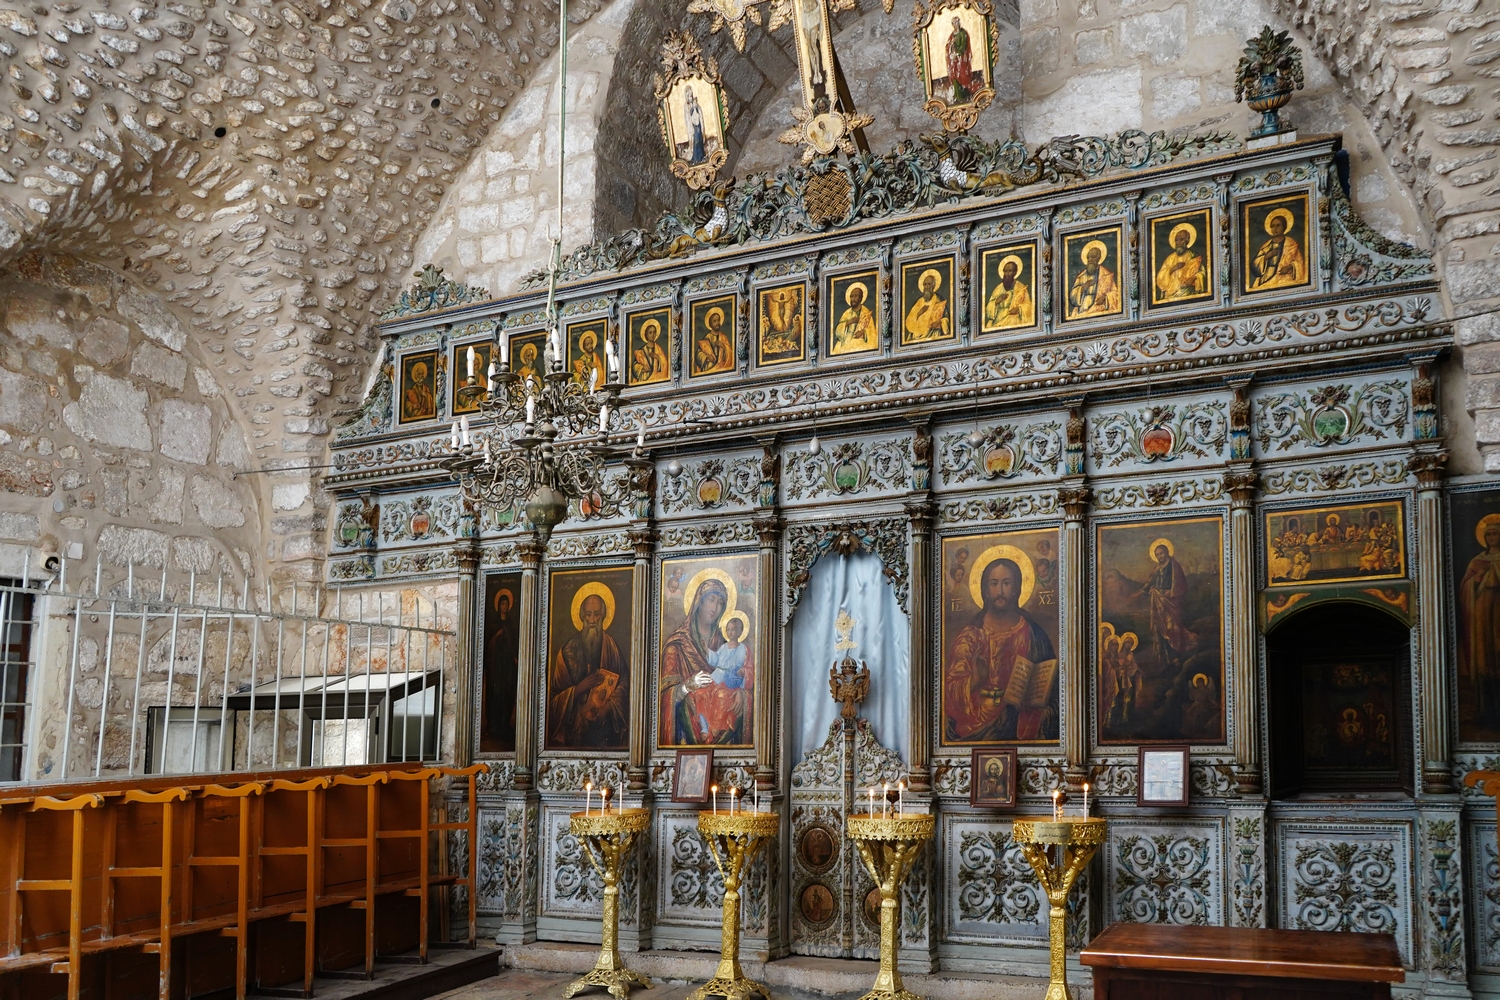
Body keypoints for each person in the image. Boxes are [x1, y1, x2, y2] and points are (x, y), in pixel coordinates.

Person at [943, 557, 1058, 742]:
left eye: (1007, 583)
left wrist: (1034, 701)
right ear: (985, 590)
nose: (1000, 591)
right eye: (994, 584)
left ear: (1017, 588)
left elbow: (1055, 692)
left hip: (1022, 725)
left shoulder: (1034, 634)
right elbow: (947, 694)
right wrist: (974, 681)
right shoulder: (971, 636)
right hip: (974, 726)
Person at [660, 578, 753, 745]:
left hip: (725, 718)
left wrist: (742, 694)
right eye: (711, 600)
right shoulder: (677, 645)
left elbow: (745, 676)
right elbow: (664, 698)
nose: (715, 608)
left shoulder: (726, 644)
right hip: (688, 735)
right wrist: (687, 686)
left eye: (720, 603)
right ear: (699, 602)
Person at [547, 590, 628, 748]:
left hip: (606, 731)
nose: (592, 620)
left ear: (603, 616)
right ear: (581, 616)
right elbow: (553, 700)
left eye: (597, 615)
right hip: (575, 733)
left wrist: (607, 708)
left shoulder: (612, 647)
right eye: (588, 615)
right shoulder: (567, 651)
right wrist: (577, 689)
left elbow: (625, 684)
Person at [1461, 515, 1500, 728]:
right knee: (1485, 663)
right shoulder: (1477, 562)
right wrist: (1476, 580)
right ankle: (1487, 711)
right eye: (1489, 534)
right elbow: (1466, 588)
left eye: (1495, 533)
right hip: (1483, 617)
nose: (1492, 537)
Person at [1141, 542, 1195, 674]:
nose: (1160, 556)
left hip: (1172, 602)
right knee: (1161, 629)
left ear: (1167, 553)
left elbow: (1182, 584)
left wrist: (1171, 592)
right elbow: (1150, 582)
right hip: (1159, 601)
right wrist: (1143, 590)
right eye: (1157, 554)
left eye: (1161, 553)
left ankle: (1177, 656)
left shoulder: (1174, 566)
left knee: (1172, 629)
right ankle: (1168, 659)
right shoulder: (1157, 568)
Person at [482, 587, 519, 752]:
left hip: (508, 667)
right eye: (502, 604)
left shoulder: (511, 624)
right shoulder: (493, 624)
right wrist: (496, 637)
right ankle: (494, 726)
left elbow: (514, 644)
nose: (504, 606)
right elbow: (489, 646)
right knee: (496, 696)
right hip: (496, 668)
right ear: (499, 606)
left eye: (506, 604)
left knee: (507, 695)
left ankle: (505, 726)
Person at [1249, 207, 1307, 290]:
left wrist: (1290, 266)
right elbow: (1254, 267)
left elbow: (1300, 263)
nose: (1275, 229)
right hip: (1265, 279)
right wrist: (1267, 256)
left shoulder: (1291, 244)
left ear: (1284, 227)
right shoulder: (1266, 246)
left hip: (1284, 278)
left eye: (1278, 225)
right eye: (1272, 226)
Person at [1068, 240, 1120, 318]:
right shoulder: (1081, 277)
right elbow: (1072, 297)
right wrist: (1083, 287)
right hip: (1082, 311)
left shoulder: (1106, 276)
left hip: (1099, 309)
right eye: (1088, 257)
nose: (1090, 260)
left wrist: (1105, 298)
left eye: (1093, 257)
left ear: (1098, 258)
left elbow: (1116, 294)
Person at [1155, 223, 1207, 300]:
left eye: (1181, 239)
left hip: (1189, 293)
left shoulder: (1194, 256)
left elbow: (1202, 273)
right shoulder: (1170, 259)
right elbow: (1160, 278)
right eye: (1176, 240)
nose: (1178, 243)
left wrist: (1193, 278)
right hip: (1171, 296)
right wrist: (1173, 268)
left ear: (1187, 240)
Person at [984, 255, 1033, 329]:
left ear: (1014, 272)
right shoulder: (998, 289)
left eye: (1010, 271)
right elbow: (988, 309)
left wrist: (1019, 309)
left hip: (1013, 319)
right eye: (1005, 271)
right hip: (998, 321)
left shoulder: (1020, 287)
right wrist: (997, 301)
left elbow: (1029, 306)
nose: (1007, 274)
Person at [904, 269, 950, 342]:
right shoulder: (919, 302)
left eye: (929, 284)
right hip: (917, 336)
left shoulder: (938, 300)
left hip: (933, 334)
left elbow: (946, 318)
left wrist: (939, 322)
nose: (926, 287)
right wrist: (919, 312)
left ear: (934, 285)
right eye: (925, 284)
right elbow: (909, 322)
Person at [833, 282, 877, 353]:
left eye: (855, 296)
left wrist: (863, 332)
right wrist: (848, 322)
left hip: (861, 344)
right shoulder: (846, 313)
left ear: (860, 298)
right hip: (846, 343)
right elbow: (837, 331)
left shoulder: (866, 313)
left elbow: (873, 334)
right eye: (851, 296)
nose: (853, 299)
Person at [944, 14, 976, 103]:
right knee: (954, 75)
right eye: (954, 23)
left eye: (957, 22)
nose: (956, 24)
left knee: (962, 75)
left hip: (962, 59)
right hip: (954, 60)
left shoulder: (963, 33)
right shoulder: (952, 35)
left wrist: (957, 54)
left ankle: (964, 94)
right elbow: (948, 46)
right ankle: (957, 95)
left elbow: (964, 46)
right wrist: (951, 45)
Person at [695, 307, 734, 375]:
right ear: (710, 324)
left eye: (718, 320)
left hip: (722, 368)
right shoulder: (707, 337)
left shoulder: (723, 337)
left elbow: (730, 354)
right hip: (709, 369)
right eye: (714, 321)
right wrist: (707, 357)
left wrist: (723, 346)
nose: (717, 323)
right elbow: (698, 354)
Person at [631, 318, 669, 384]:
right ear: (646, 335)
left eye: (654, 332)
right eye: (650, 332)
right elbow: (634, 365)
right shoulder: (641, 350)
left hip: (657, 380)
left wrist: (657, 357)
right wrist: (642, 368)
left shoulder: (658, 349)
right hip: (644, 381)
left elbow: (665, 362)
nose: (652, 334)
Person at [684, 86, 706, 165]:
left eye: (691, 95)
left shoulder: (695, 104)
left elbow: (699, 114)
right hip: (692, 127)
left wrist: (695, 107)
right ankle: (696, 158)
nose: (690, 97)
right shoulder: (686, 106)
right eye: (689, 96)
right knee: (695, 141)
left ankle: (701, 156)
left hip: (698, 126)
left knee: (699, 140)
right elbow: (687, 118)